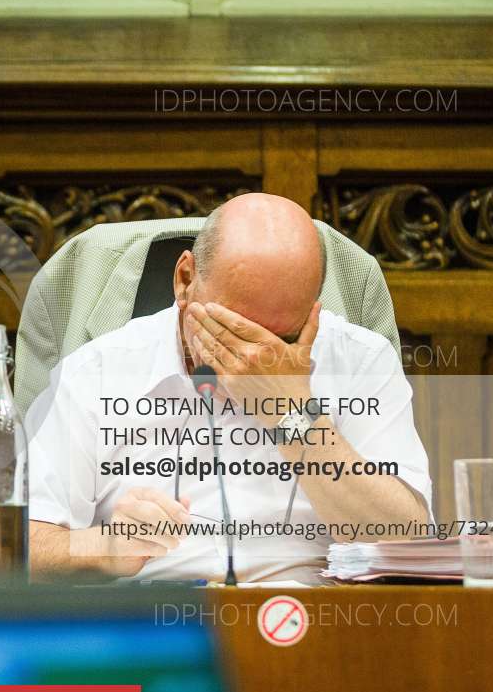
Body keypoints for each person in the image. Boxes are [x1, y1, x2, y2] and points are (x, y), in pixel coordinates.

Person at [26, 193, 433, 584]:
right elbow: (14, 549)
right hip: (156, 619)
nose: (251, 360)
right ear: (185, 280)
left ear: (313, 308)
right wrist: (106, 546)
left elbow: (409, 541)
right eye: (231, 331)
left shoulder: (359, 361)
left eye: (283, 340)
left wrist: (291, 413)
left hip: (314, 616)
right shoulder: (96, 373)